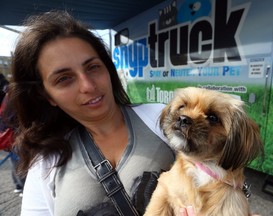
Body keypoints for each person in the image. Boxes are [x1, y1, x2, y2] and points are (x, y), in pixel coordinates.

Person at [8, 10, 177, 216]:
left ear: (108, 68)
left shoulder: (163, 118)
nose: (88, 85)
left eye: (93, 67)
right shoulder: (45, 165)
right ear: (47, 95)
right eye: (64, 79)